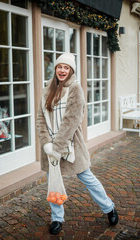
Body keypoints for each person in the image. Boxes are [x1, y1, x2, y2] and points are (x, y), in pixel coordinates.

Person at [36, 53, 118, 235]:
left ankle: (109, 207)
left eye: (66, 67)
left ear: (71, 70)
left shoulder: (75, 89)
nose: (62, 70)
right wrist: (48, 145)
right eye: (59, 67)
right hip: (50, 148)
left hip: (71, 145)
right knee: (53, 183)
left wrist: (58, 147)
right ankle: (57, 218)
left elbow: (71, 121)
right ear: (55, 69)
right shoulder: (47, 89)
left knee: (88, 178)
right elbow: (40, 119)